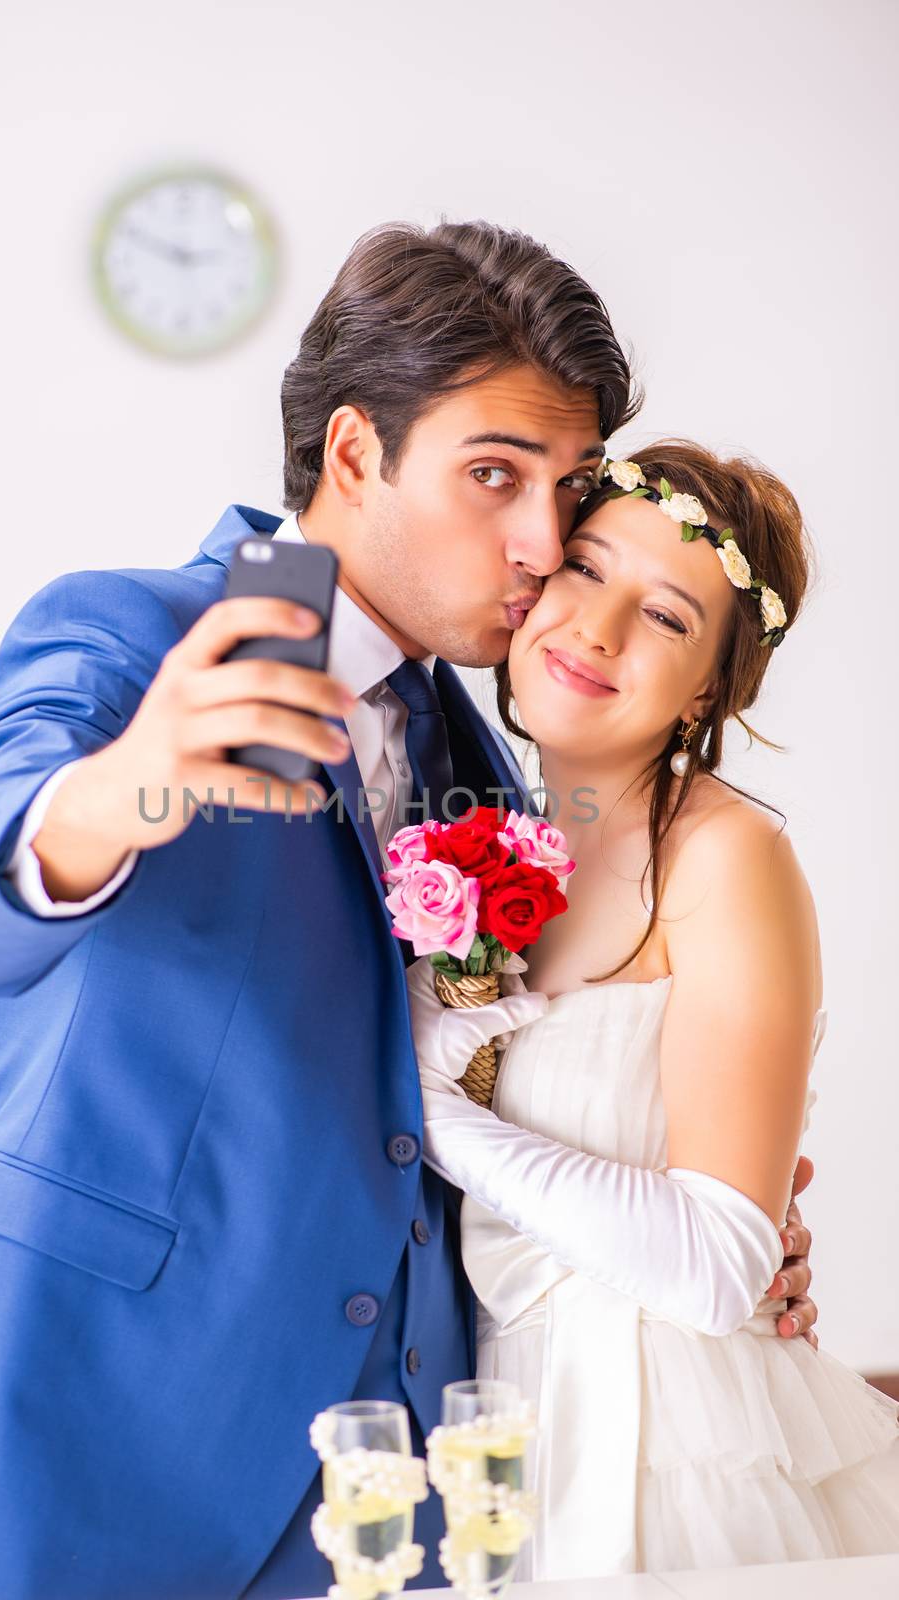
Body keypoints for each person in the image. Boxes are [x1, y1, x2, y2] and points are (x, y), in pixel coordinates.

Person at [0, 225, 819, 1600]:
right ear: (355, 455)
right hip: (106, 1449)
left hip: (400, 1487)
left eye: (569, 487)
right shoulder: (130, 635)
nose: (545, 544)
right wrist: (121, 791)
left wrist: (700, 1224)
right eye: (496, 476)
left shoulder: (481, 751)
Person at [409, 441, 899, 1581]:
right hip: (495, 1425)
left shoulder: (729, 857)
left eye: (668, 617)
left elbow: (723, 1261)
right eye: (584, 568)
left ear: (713, 688)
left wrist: (443, 1120)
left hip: (661, 1431)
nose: (596, 627)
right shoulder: (478, 832)